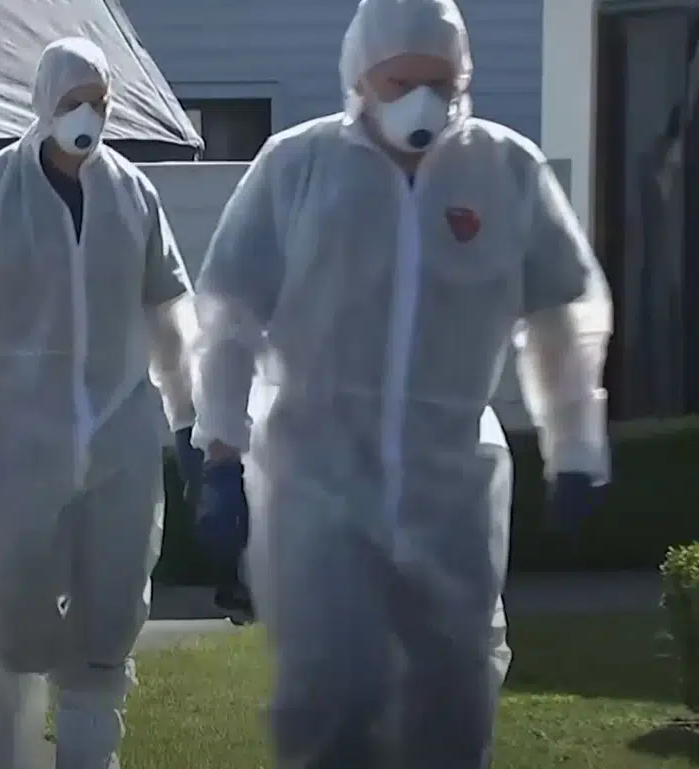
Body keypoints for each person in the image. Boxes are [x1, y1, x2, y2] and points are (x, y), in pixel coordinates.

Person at [190, 0, 611, 767]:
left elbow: (563, 314)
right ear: (361, 75)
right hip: (316, 481)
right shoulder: (297, 167)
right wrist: (221, 448)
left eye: (441, 83)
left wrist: (577, 443)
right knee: (332, 692)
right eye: (401, 81)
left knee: (455, 692)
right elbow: (228, 315)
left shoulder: (505, 171)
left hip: (451, 482)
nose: (424, 101)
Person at [0, 36, 204, 769]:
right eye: (74, 101)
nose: (87, 116)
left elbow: (170, 310)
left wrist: (188, 416)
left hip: (118, 437)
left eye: (99, 103)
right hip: (17, 441)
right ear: (44, 101)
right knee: (16, 619)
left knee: (111, 616)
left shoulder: (132, 194)